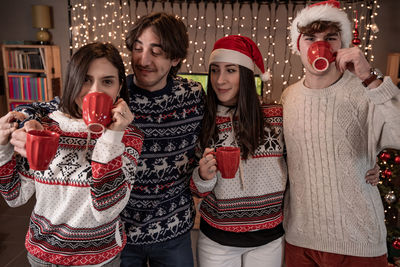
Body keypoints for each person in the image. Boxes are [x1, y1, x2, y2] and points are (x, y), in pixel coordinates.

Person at [7, 12, 205, 267]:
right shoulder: (112, 93)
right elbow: (56, 107)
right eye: (137, 48)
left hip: (172, 225)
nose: (143, 60)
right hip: (119, 227)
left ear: (175, 58)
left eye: (156, 51)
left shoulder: (193, 95)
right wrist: (23, 121)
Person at [0, 42, 143, 266]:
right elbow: (15, 196)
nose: (95, 91)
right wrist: (3, 148)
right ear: (73, 81)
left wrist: (112, 137)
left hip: (99, 259)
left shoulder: (128, 136)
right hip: (43, 256)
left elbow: (106, 210)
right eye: (86, 79)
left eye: (107, 81)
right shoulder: (43, 127)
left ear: (119, 86)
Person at [281, 0, 400, 266]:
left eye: (330, 38)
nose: (319, 45)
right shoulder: (288, 97)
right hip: (301, 240)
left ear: (343, 44)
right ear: (298, 45)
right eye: (310, 37)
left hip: (359, 242)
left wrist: (369, 77)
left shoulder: (368, 87)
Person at [190, 35, 286, 267]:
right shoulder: (203, 121)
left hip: (268, 238)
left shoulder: (276, 117)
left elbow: (304, 159)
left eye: (230, 70)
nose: (220, 80)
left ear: (245, 74)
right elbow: (196, 190)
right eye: (214, 70)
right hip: (217, 241)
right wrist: (202, 176)